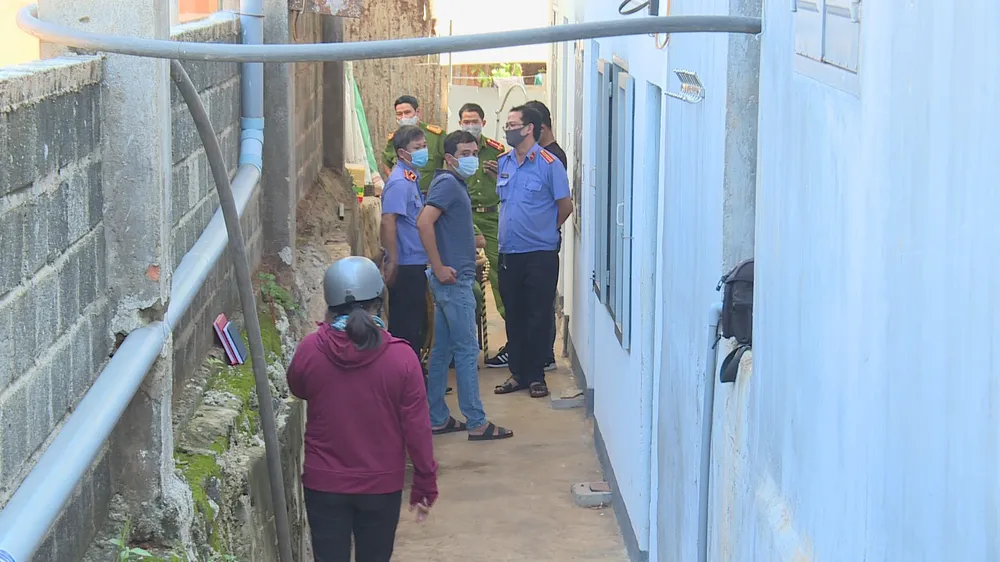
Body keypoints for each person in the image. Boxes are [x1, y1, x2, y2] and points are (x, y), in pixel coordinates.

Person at [286, 256, 438, 562]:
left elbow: (298, 387)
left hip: (324, 483)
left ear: (329, 304)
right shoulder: (402, 358)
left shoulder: (310, 351)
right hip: (381, 486)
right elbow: (417, 428)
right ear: (379, 303)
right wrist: (425, 481)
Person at [417, 130, 514, 441]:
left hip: (453, 279)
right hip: (453, 282)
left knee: (443, 351)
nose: (471, 158)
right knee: (467, 350)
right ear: (449, 158)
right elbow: (424, 222)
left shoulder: (453, 183)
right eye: (464, 154)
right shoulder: (447, 184)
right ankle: (476, 421)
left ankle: (437, 417)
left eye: (474, 152)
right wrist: (438, 265)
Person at [490, 105, 573, 399]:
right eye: (507, 125)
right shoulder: (504, 163)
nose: (508, 130)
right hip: (509, 252)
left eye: (513, 125)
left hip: (540, 253)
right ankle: (518, 373)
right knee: (514, 314)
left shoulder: (550, 164)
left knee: (538, 315)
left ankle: (536, 375)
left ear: (529, 129)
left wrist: (545, 229)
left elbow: (565, 206)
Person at [380, 125, 430, 366]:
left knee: (416, 325)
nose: (423, 152)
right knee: (406, 328)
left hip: (415, 261)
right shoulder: (400, 182)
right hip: (406, 264)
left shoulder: (410, 178)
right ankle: (406, 374)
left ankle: (415, 373)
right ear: (402, 153)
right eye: (417, 148)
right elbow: (388, 220)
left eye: (424, 146)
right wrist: (393, 260)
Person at [456, 102, 505, 325]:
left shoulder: (496, 151)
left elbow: (508, 182)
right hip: (464, 216)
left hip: (491, 216)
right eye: (466, 121)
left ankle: (508, 317)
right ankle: (468, 319)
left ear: (483, 123)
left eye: (474, 121)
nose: (470, 125)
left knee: (499, 268)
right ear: (459, 123)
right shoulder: (453, 149)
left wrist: (500, 175)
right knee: (462, 268)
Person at [381, 95, 444, 194]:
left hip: (431, 194)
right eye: (399, 114)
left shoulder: (435, 136)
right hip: (406, 193)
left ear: (417, 112)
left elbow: (452, 159)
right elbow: (386, 161)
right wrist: (395, 181)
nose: (403, 117)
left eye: (407, 112)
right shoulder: (396, 138)